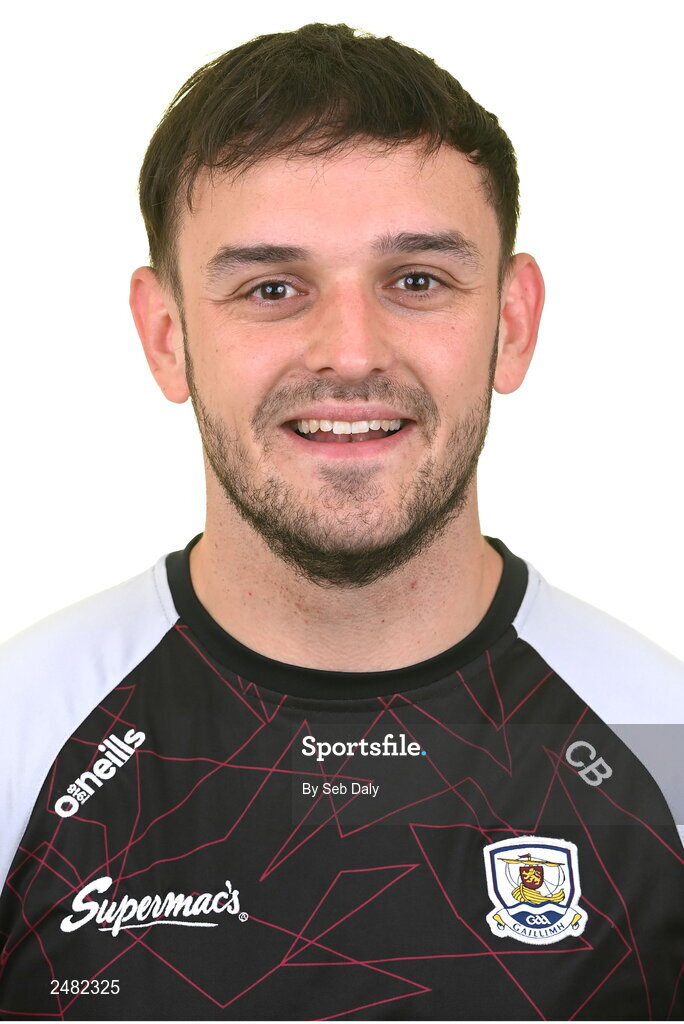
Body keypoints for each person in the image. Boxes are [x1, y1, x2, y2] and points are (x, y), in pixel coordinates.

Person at [0, 21, 681, 1022]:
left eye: (417, 281)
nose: (350, 351)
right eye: (272, 288)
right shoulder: (17, 735)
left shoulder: (663, 737)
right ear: (167, 336)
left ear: (513, 322)